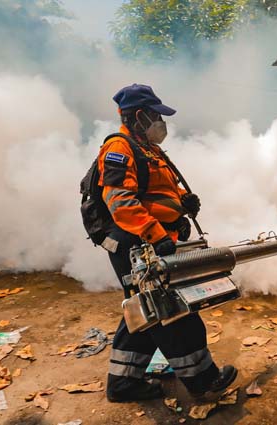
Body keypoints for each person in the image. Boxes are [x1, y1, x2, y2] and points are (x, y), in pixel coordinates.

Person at [96, 84, 237, 402]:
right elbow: (119, 202)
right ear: (140, 115)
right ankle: (203, 380)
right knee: (172, 310)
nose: (163, 123)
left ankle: (123, 383)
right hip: (134, 244)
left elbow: (155, 194)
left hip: (149, 242)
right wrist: (157, 234)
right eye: (158, 116)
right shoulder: (119, 148)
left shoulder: (149, 149)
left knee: (144, 312)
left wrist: (181, 205)